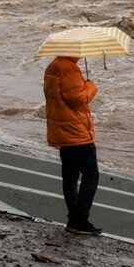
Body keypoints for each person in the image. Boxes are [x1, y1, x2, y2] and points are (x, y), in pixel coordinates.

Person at [43, 55, 102, 235]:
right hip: (76, 132)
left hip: (62, 130)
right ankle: (79, 219)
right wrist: (91, 87)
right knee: (91, 175)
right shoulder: (69, 68)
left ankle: (74, 219)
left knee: (70, 175)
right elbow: (78, 98)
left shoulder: (52, 66)